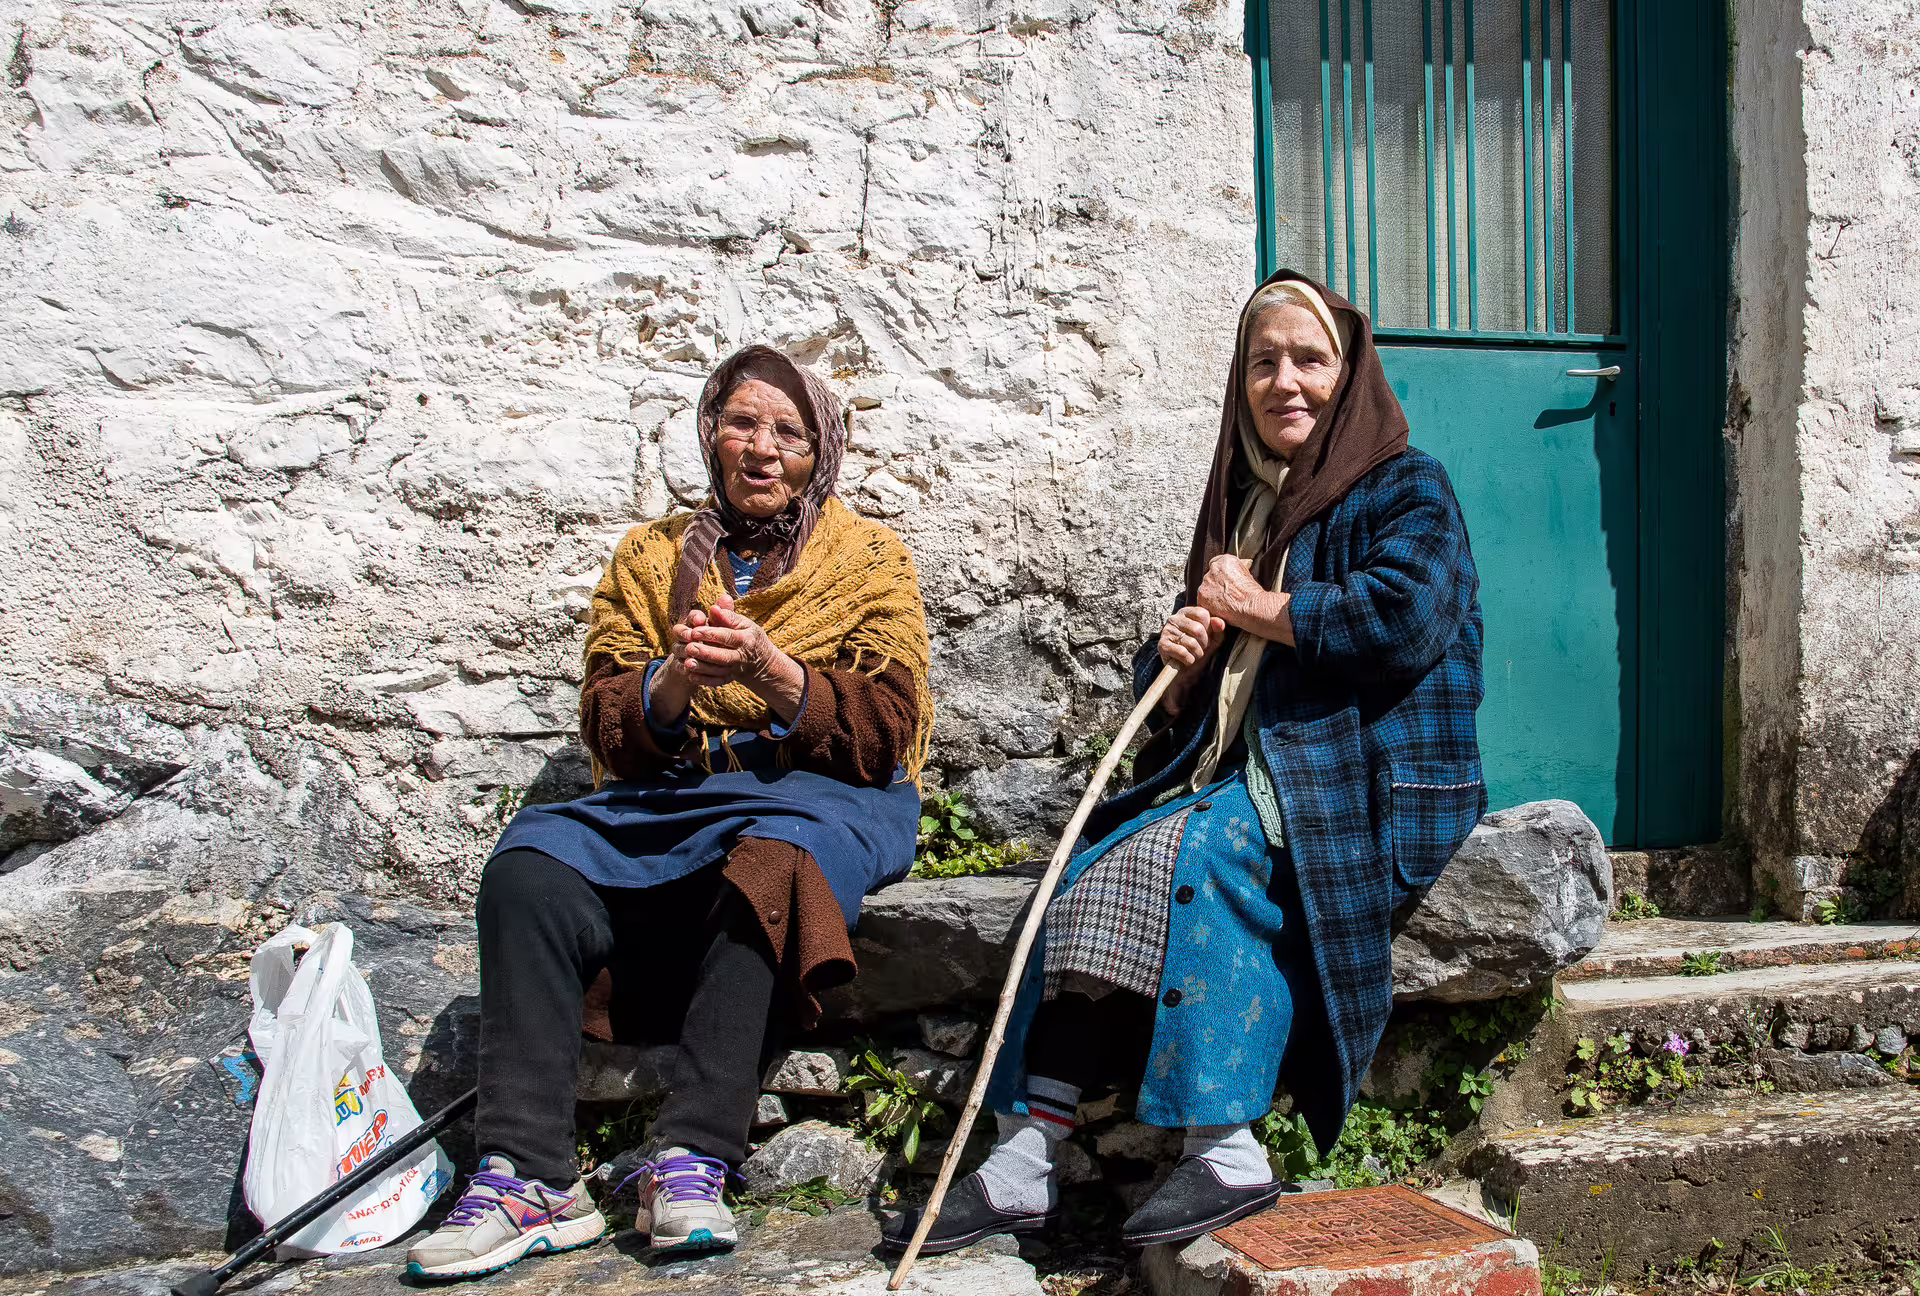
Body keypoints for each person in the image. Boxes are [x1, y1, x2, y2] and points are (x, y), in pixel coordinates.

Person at [883, 271, 1485, 1254]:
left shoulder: (1407, 487)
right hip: (1260, 774)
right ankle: (1026, 1154)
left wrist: (1259, 611)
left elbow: (1404, 619)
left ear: (1351, 373)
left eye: (1309, 359)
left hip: (1369, 776)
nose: (1284, 381)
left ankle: (1227, 1147)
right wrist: (1173, 661)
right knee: (1085, 882)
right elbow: (1207, 700)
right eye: (1263, 362)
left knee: (1202, 858)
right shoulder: (1249, 509)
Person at [408, 345, 933, 1279]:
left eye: (789, 433)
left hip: (824, 793)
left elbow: (887, 734)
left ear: (822, 454)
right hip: (673, 794)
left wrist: (774, 672)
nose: (762, 449)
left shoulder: (867, 558)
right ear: (708, 434)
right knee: (532, 862)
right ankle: (527, 1177)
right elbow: (609, 725)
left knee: (775, 857)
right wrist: (673, 681)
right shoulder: (648, 560)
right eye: (741, 424)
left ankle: (691, 1158)